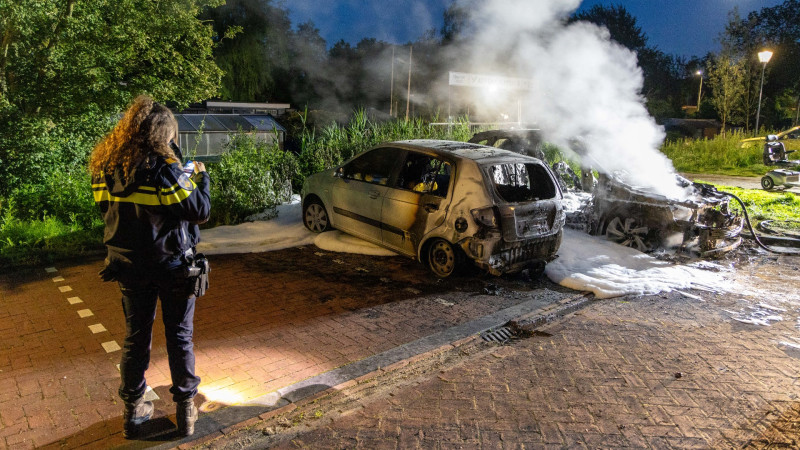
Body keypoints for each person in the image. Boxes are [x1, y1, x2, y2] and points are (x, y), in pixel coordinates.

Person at [88, 95, 211, 439]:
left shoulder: (105, 172)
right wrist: (199, 178)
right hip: (172, 267)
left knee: (136, 338)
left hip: (127, 267)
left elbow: (109, 213)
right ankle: (186, 410)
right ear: (162, 134)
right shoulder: (165, 172)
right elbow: (198, 210)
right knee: (180, 337)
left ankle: (133, 412)